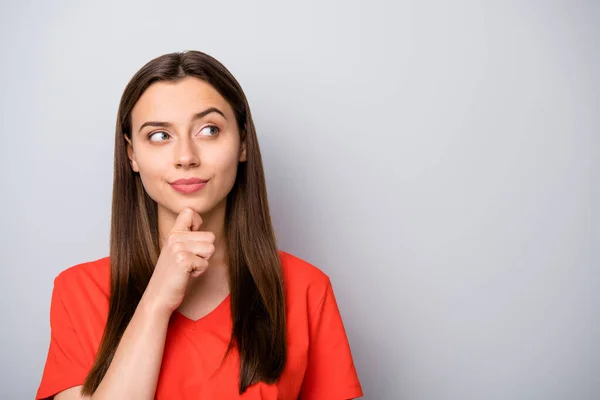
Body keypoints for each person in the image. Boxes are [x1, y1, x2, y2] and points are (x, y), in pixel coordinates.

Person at [35, 50, 363, 400]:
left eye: (209, 130)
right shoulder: (79, 292)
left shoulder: (306, 289)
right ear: (132, 154)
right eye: (160, 135)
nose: (186, 157)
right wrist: (157, 300)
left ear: (242, 143)